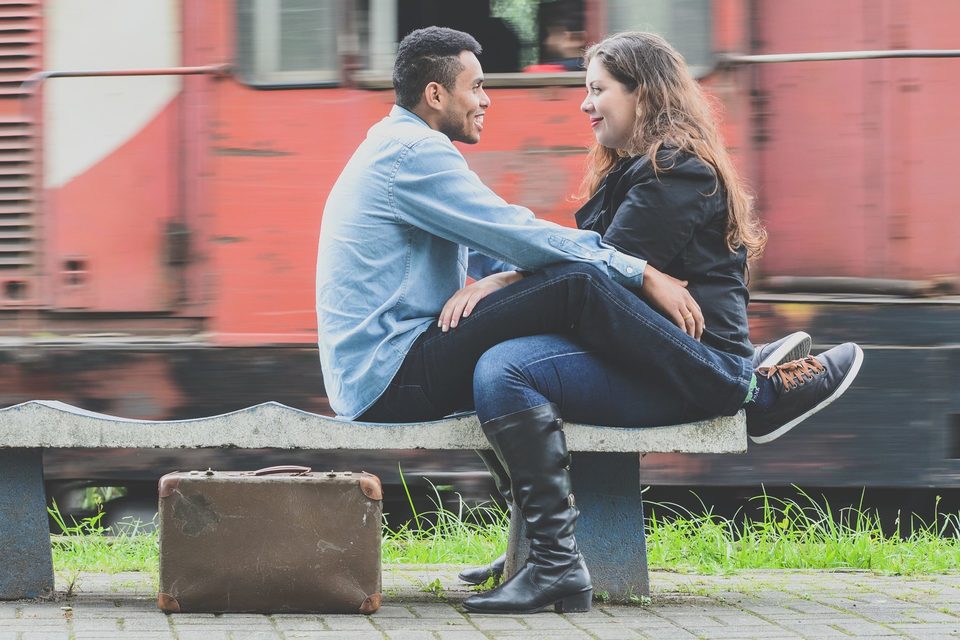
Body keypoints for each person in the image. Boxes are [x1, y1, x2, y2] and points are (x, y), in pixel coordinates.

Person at [316, 26, 861, 612]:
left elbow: (500, 248)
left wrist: (512, 277)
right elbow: (519, 238)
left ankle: (553, 552)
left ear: (641, 94)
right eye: (476, 86)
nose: (487, 98)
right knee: (556, 306)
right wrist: (632, 271)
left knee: (523, 344)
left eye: (598, 90)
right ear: (435, 95)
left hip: (384, 365)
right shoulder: (414, 154)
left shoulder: (401, 148)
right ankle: (744, 385)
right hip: (389, 369)